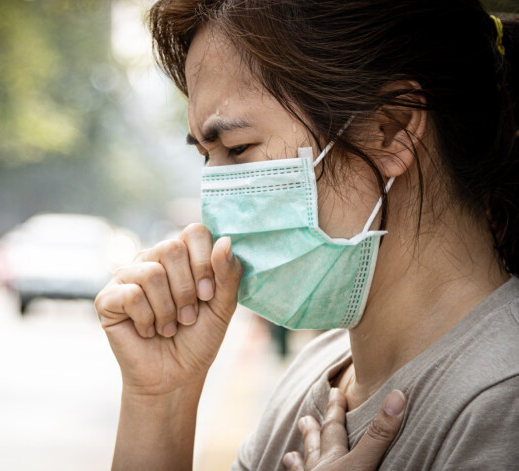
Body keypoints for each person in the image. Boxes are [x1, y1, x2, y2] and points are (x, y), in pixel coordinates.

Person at [95, 1, 519, 469]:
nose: (214, 201)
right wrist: (161, 401)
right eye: (206, 156)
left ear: (391, 131)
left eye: (237, 149)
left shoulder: (501, 404)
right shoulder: (313, 377)